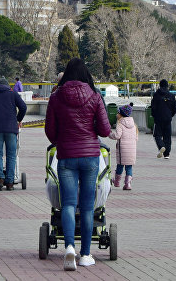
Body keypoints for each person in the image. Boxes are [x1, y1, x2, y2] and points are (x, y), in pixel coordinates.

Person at [45, 58, 111, 270]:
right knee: (87, 206)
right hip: (90, 156)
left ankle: (69, 248)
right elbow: (105, 130)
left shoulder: (56, 97)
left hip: (66, 156)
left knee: (68, 204)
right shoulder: (95, 96)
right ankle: (85, 254)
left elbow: (50, 131)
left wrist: (61, 140)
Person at [0, 78, 27, 190]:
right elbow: (23, 107)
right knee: (12, 155)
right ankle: (10, 182)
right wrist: (18, 119)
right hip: (12, 128)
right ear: (8, 85)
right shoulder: (13, 94)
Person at [109, 103, 138, 190]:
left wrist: (110, 134)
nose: (116, 114)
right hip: (132, 149)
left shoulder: (120, 124)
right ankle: (128, 184)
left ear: (121, 114)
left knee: (120, 165)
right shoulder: (134, 125)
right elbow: (136, 137)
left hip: (123, 149)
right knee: (129, 167)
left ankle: (117, 182)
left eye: (118, 112)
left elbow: (117, 136)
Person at [150, 79, 176, 159]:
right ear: (167, 85)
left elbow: (153, 107)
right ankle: (167, 154)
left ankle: (161, 146)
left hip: (158, 119)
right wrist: (170, 115)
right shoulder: (171, 95)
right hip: (168, 119)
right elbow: (175, 109)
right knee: (167, 136)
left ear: (160, 85)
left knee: (157, 135)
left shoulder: (156, 95)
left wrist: (154, 116)